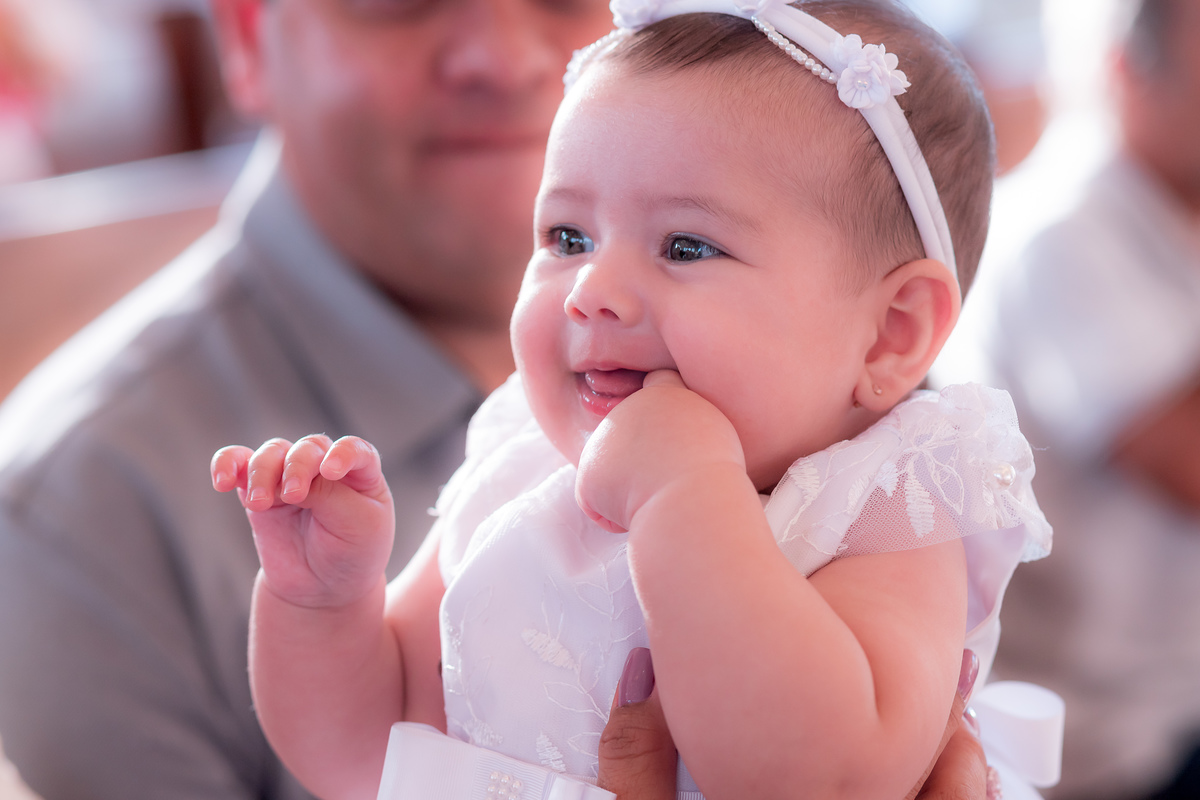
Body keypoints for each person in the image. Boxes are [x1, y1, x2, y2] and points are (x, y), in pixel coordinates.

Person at [0, 0, 989, 796]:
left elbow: (815, 774)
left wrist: (688, 498)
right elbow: (358, 751)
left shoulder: (883, 505)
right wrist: (324, 603)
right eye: (565, 237)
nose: (592, 287)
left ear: (893, 333)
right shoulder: (525, 466)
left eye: (687, 245)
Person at [968, 0, 1200, 797]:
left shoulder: (1179, 217)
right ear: (1131, 75)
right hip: (1087, 739)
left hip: (1170, 697)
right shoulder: (1063, 234)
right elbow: (1187, 468)